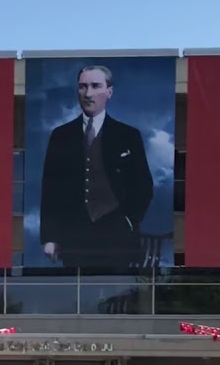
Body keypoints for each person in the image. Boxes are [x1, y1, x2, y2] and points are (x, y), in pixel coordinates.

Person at [38, 64, 153, 268]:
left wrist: (128, 220)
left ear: (109, 92)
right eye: (83, 86)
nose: (88, 93)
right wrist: (50, 237)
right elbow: (50, 190)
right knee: (78, 288)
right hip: (74, 236)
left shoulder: (128, 135)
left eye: (95, 86)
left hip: (117, 236)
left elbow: (143, 185)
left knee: (116, 286)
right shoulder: (61, 136)